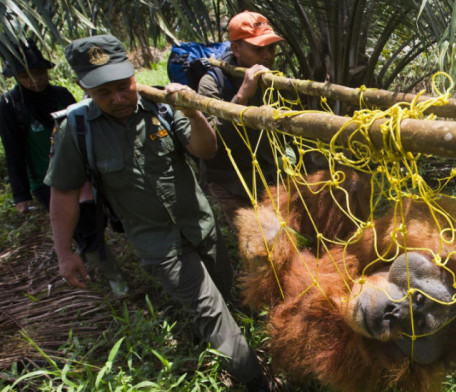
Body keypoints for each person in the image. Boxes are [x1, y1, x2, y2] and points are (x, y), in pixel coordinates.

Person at [44, 34, 275, 392]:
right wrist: (64, 254)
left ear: (134, 74)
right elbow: (63, 194)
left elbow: (205, 148)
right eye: (105, 93)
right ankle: (258, 380)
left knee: (225, 295)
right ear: (84, 89)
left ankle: (221, 343)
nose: (119, 98)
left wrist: (193, 113)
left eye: (125, 86)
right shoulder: (75, 131)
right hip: (159, 245)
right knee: (209, 309)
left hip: (201, 226)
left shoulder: (162, 107)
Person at [0, 39, 126, 295]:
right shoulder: (10, 107)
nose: (35, 80)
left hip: (81, 173)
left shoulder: (60, 95)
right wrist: (21, 194)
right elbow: (14, 153)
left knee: (98, 218)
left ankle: (96, 254)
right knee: (81, 229)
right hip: (47, 181)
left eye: (40, 73)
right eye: (26, 76)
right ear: (16, 77)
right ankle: (115, 280)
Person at [197, 10, 290, 231]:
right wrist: (241, 97)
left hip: (269, 174)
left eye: (271, 48)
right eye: (258, 49)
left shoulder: (273, 78)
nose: (267, 55)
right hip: (232, 181)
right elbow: (211, 142)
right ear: (236, 49)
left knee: (285, 233)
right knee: (254, 240)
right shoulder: (210, 84)